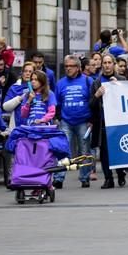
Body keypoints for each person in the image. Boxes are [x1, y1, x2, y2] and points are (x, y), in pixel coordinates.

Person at [53, 55, 93, 189]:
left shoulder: (88, 81)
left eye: (71, 66)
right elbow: (57, 103)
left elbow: (93, 102)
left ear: (78, 67)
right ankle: (58, 178)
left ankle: (85, 177)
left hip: (84, 122)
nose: (68, 69)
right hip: (66, 122)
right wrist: (58, 118)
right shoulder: (60, 83)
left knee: (84, 150)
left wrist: (91, 120)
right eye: (66, 66)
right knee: (63, 150)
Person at [90, 54, 127, 189]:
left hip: (118, 122)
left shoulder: (122, 79)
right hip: (103, 122)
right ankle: (108, 178)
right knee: (105, 153)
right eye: (104, 63)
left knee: (119, 150)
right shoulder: (96, 82)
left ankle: (121, 173)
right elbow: (91, 104)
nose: (106, 65)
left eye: (109, 62)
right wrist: (97, 95)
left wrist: (118, 85)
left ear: (114, 64)